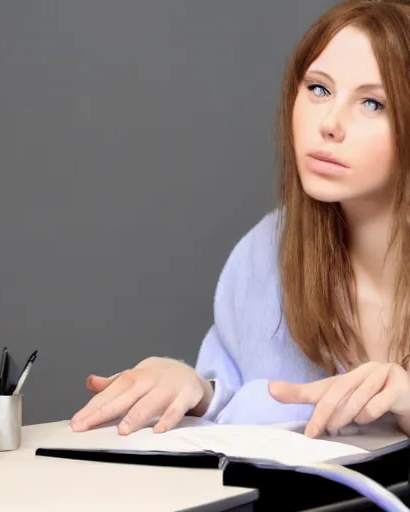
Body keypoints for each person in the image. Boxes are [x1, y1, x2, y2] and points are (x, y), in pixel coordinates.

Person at [71, 0, 410, 439]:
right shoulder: (267, 252)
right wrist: (197, 391)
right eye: (319, 89)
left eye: (372, 103)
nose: (329, 123)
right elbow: (238, 401)